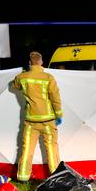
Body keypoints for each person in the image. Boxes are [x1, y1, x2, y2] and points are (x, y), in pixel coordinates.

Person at [12, 51, 63, 181]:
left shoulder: (22, 77)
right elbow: (55, 97)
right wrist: (59, 114)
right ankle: (56, 176)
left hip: (31, 121)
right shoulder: (48, 77)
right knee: (52, 148)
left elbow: (14, 85)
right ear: (41, 62)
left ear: (29, 63)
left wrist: (25, 72)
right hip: (48, 120)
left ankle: (23, 177)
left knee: (27, 148)